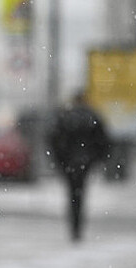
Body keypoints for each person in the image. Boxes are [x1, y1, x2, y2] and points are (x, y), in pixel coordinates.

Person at [47, 92, 111, 241]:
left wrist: (60, 160)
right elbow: (103, 141)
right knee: (80, 193)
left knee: (72, 193)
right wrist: (97, 159)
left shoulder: (65, 117)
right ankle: (77, 225)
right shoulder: (92, 117)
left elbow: (54, 140)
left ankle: (74, 225)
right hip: (85, 161)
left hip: (69, 162)